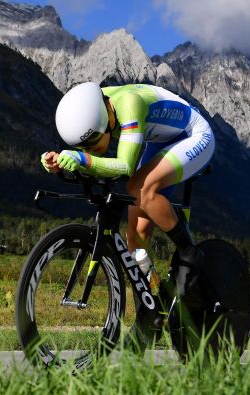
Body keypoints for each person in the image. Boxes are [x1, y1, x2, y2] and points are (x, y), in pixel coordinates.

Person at [41, 82, 215, 299]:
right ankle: (152, 305)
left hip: (194, 135)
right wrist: (61, 161)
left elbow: (124, 167)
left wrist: (82, 160)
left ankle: (190, 253)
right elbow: (95, 160)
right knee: (135, 238)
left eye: (92, 140)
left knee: (139, 187)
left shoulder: (129, 103)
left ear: (104, 120)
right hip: (161, 140)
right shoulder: (99, 108)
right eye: (82, 146)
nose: (90, 149)